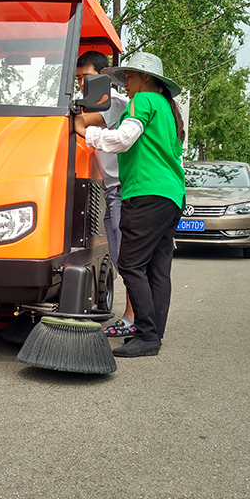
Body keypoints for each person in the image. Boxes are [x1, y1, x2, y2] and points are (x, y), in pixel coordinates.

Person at [74, 51, 185, 357]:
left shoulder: (144, 101)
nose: (127, 84)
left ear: (146, 78)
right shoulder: (166, 107)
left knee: (131, 264)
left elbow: (123, 140)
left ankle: (146, 335)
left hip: (145, 192)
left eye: (131, 77)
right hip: (171, 195)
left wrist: (89, 133)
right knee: (158, 269)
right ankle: (153, 335)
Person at [75, 51, 135, 335]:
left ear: (102, 78)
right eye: (77, 79)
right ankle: (134, 317)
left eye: (85, 78)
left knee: (127, 256)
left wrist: (72, 115)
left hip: (122, 190)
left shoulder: (114, 102)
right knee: (120, 255)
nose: (80, 84)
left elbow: (81, 125)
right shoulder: (98, 104)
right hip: (113, 189)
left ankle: (132, 319)